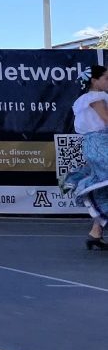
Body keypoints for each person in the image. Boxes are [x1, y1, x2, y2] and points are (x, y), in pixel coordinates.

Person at [62, 65, 108, 250]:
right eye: (106, 78)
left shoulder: (85, 99)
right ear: (94, 81)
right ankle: (81, 179)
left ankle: (95, 233)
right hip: (100, 145)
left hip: (94, 144)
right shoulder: (96, 98)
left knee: (104, 187)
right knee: (103, 185)